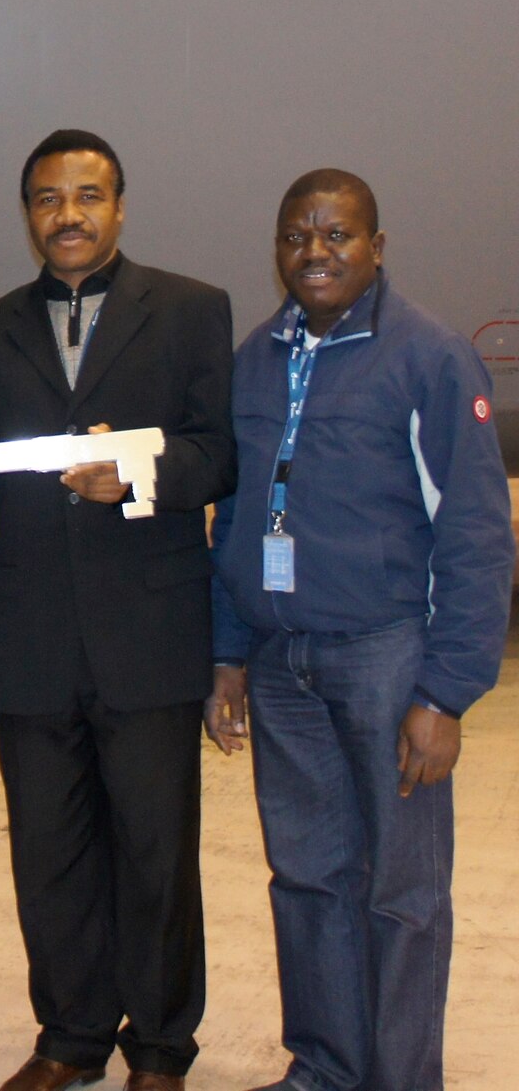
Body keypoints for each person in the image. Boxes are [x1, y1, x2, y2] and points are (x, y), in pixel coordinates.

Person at [0, 131, 235, 1091]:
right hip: (32, 637)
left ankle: (162, 1047)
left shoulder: (191, 309)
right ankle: (69, 1035)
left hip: (150, 631)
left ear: (120, 205)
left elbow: (217, 452)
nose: (69, 214)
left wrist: (137, 472)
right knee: (48, 853)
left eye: (88, 195)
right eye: (49, 198)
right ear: (28, 214)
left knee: (156, 852)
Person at [207, 170, 513, 1091]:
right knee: (307, 878)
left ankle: (402, 1078)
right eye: (297, 235)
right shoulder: (257, 357)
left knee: (403, 894)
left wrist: (445, 692)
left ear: (376, 247)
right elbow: (237, 513)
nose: (316, 251)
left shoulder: (430, 356)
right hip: (281, 660)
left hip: (387, 658)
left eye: (337, 234)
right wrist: (228, 653)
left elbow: (476, 531)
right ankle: (326, 1067)